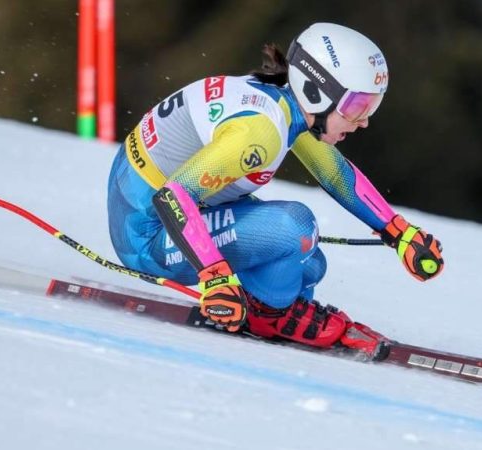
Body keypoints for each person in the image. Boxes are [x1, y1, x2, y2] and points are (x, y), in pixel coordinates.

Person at [107, 22, 444, 356]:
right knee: (295, 229)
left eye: (371, 106)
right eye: (357, 107)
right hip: (146, 237)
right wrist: (215, 277)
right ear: (316, 91)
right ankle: (270, 316)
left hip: (153, 212)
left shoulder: (287, 105)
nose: (365, 121)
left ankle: (272, 308)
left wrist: (398, 231)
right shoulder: (261, 131)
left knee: (309, 264)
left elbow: (334, 172)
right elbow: (172, 197)